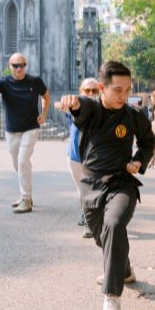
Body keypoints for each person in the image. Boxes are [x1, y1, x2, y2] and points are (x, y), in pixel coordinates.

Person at [56, 61, 155, 310]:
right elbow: (82, 106)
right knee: (102, 237)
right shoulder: (93, 110)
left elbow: (148, 142)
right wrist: (73, 102)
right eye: (118, 90)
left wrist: (138, 160)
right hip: (91, 185)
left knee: (114, 223)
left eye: (128, 89)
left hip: (122, 183)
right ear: (102, 88)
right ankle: (123, 268)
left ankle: (111, 298)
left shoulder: (133, 115)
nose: (124, 95)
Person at [0, 53, 50, 214]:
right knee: (18, 165)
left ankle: (26, 199)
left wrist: (44, 114)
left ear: (25, 66)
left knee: (23, 161)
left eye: (22, 65)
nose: (19, 68)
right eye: (15, 65)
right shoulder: (4, 82)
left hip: (31, 127)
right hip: (12, 130)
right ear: (9, 66)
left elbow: (46, 95)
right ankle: (26, 194)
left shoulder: (35, 81)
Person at [62, 77, 99, 238]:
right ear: (81, 92)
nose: (90, 93)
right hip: (74, 157)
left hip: (94, 159)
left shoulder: (101, 109)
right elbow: (68, 109)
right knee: (82, 189)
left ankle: (91, 221)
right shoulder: (76, 106)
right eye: (87, 90)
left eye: (94, 90)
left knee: (91, 189)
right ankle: (87, 212)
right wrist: (65, 104)